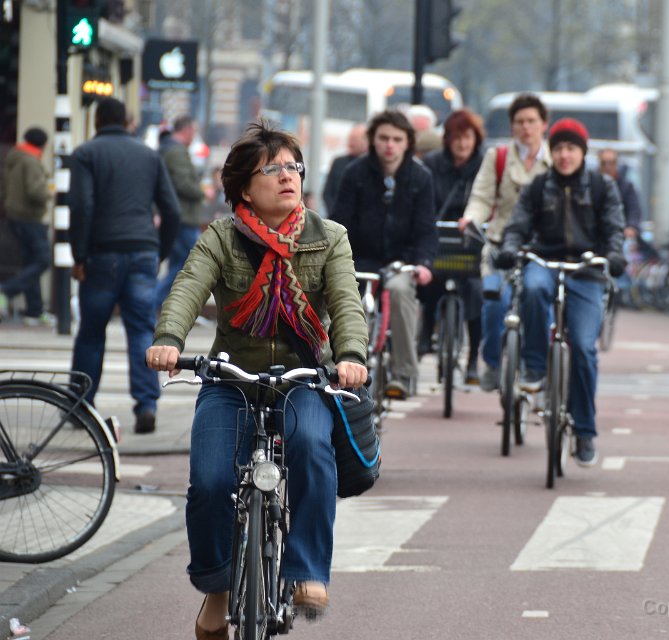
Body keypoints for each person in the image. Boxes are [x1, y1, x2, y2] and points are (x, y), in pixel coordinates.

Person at [147, 120, 368, 639]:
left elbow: (346, 304)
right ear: (245, 189)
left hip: (303, 378)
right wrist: (170, 339)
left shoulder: (329, 237)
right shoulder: (221, 238)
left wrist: (350, 356)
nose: (288, 176)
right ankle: (218, 589)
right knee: (210, 482)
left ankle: (307, 571)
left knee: (312, 449)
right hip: (231, 378)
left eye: (293, 166)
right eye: (273, 169)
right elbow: (187, 288)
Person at [494, 118, 626, 467]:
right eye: (559, 149)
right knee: (534, 288)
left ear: (583, 152)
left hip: (587, 270)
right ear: (551, 153)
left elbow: (614, 228)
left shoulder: (601, 187)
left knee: (583, 347)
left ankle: (584, 432)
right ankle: (535, 368)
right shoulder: (537, 187)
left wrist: (615, 255)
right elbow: (517, 226)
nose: (565, 155)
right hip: (545, 261)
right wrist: (509, 248)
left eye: (571, 148)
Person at [68, 97, 181, 435]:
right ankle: (146, 405)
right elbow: (172, 210)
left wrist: (79, 256)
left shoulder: (86, 154)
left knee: (91, 334)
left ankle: (80, 406)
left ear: (97, 121)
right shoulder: (149, 155)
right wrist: (159, 252)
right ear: (128, 120)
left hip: (102, 254)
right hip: (142, 251)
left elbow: (81, 207)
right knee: (142, 330)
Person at [330, 109, 437, 400]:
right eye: (384, 138)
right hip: (360, 258)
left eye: (397, 139)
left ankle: (403, 373)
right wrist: (335, 260)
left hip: (402, 261)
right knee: (343, 297)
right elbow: (339, 222)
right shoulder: (355, 173)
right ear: (373, 140)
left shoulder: (420, 178)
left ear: (407, 143)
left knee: (401, 292)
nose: (390, 145)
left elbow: (426, 228)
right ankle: (338, 366)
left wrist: (423, 263)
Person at [459, 93, 551, 392]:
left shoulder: (556, 160)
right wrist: (471, 219)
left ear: (544, 125)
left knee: (538, 299)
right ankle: (493, 362)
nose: (526, 127)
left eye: (532, 121)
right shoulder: (497, 157)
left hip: (541, 249)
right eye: (520, 122)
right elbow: (482, 197)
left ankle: (537, 366)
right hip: (500, 245)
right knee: (494, 301)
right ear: (512, 126)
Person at [421, 108, 486, 383]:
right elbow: (423, 197)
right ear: (447, 139)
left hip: (471, 240)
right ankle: (426, 333)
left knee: (475, 290)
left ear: (475, 139)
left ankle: (472, 360)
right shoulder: (432, 164)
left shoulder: (485, 164)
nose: (462, 144)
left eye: (467, 137)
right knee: (429, 279)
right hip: (438, 235)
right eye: (457, 138)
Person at [1, 127, 53, 325]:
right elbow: (36, 191)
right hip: (31, 218)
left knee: (31, 263)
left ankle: (34, 311)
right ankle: (6, 290)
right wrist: (50, 192)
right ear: (43, 144)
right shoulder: (31, 161)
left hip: (14, 216)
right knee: (42, 261)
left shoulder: (14, 157)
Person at [155, 115, 206, 314]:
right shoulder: (176, 152)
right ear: (187, 130)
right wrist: (202, 192)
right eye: (194, 131)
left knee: (178, 265)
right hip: (183, 218)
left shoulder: (167, 149)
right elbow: (182, 183)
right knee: (185, 266)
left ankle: (164, 307)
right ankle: (155, 303)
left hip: (176, 217)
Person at [321, 122, 367, 215]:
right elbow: (328, 193)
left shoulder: (371, 165)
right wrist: (335, 214)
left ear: (367, 141)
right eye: (350, 138)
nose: (351, 142)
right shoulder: (338, 162)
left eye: (355, 139)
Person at [598, 148, 643, 238]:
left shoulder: (626, 187)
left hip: (620, 233)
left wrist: (631, 226)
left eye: (612, 163)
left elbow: (634, 209)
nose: (608, 167)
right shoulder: (593, 184)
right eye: (604, 163)